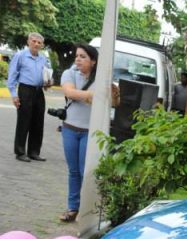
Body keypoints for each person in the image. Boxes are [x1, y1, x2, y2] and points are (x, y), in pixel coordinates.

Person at [58, 43, 117, 223]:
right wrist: (93, 97)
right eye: (77, 56)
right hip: (69, 128)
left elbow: (113, 103)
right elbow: (69, 92)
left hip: (90, 131)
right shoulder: (69, 74)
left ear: (93, 61)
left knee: (87, 171)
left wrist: (114, 94)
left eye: (83, 56)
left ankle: (87, 210)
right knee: (73, 170)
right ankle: (72, 208)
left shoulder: (102, 79)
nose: (78, 59)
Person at [8, 32, 52, 162]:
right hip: (25, 90)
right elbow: (12, 76)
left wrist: (49, 82)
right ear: (28, 42)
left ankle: (34, 152)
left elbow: (48, 75)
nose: (36, 44)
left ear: (42, 45)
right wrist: (14, 95)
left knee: (38, 122)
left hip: (39, 91)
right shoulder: (20, 55)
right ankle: (20, 152)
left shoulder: (43, 58)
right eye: (34, 41)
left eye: (39, 42)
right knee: (24, 121)